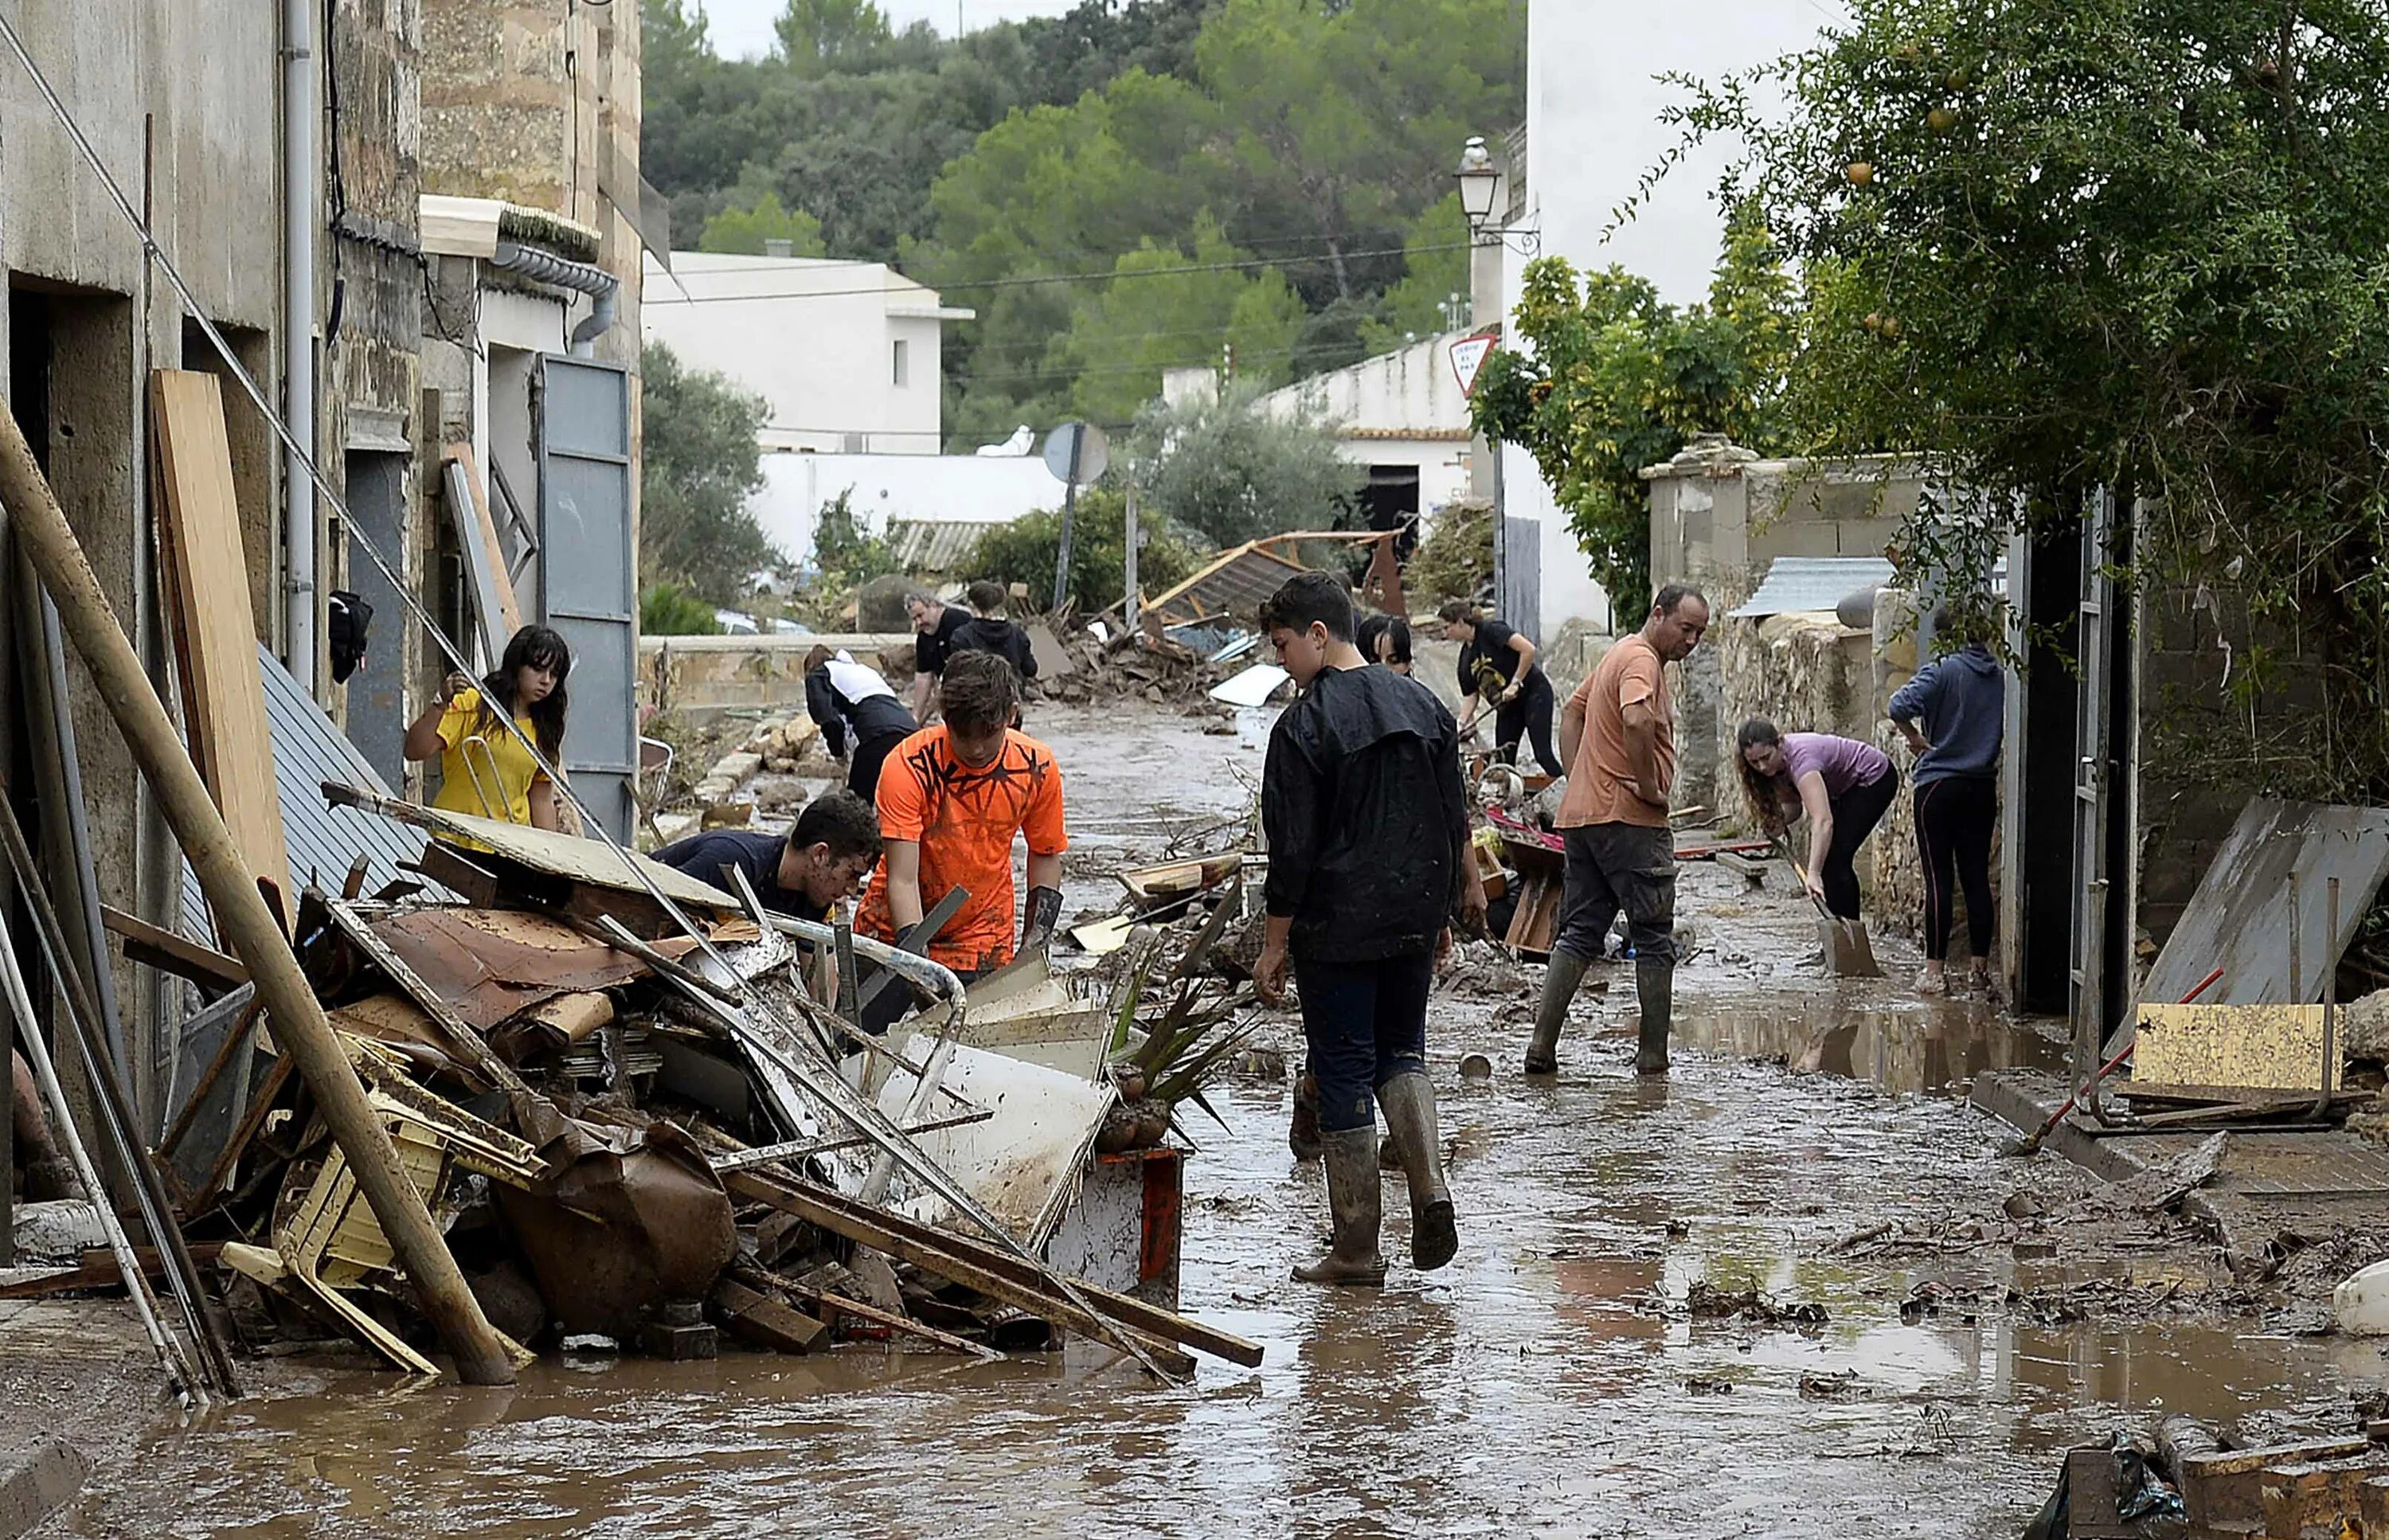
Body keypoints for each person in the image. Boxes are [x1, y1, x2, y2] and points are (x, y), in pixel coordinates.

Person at [1256, 572, 1484, 1285]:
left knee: (1347, 1064)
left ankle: (1356, 1247)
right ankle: (1432, 1189)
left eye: (1285, 646)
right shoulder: (1425, 705)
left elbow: (1291, 851)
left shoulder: (1303, 726)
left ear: (1320, 635)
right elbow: (1454, 817)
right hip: (1413, 914)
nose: (1283, 661)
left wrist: (1271, 946)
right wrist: (1452, 900)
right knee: (1403, 1052)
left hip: (1338, 925)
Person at [1525, 584, 1711, 1077]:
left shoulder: (1618, 653)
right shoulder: (1642, 661)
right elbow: (1636, 718)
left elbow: (1571, 713)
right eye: (1685, 628)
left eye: (1699, 634)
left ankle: (1541, 1048)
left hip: (1584, 818)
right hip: (1630, 821)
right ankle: (1653, 1058)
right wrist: (1650, 786)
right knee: (1653, 936)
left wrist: (1578, 779)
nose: (1691, 642)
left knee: (1580, 932)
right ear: (1658, 615)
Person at [855, 650, 1066, 1029]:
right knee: (855, 1042)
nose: (976, 748)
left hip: (982, 933)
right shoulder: (908, 765)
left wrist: (1036, 945)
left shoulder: (1037, 768)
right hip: (894, 925)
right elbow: (901, 878)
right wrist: (915, 959)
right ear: (943, 716)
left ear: (1011, 715)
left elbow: (1046, 854)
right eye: (962, 735)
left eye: (989, 733)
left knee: (976, 1051)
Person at [1887, 625, 2005, 993]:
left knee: (1939, 878)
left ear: (1942, 634)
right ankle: (1979, 971)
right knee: (1976, 879)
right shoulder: (2001, 676)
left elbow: (1897, 706)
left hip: (1938, 785)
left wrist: (1914, 737)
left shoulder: (1942, 669)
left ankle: (1934, 973)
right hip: (1981, 786)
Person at [405, 624, 570, 830]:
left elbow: (541, 799)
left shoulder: (545, 729)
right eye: (537, 669)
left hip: (511, 846)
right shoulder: (474, 705)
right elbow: (414, 750)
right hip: (457, 835)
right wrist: (440, 703)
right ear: (517, 665)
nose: (545, 681)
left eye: (553, 674)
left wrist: (547, 854)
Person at [1736, 720, 1899, 924]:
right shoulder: (1776, 768)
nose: (1762, 766)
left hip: (1873, 778)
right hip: (1844, 789)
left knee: (1835, 859)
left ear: (1779, 743)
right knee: (1831, 861)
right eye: (1754, 762)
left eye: (1766, 758)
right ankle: (1837, 939)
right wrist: (1775, 825)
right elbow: (1793, 807)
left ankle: (1850, 941)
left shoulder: (1803, 762)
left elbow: (1823, 821)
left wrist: (1813, 873)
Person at [654, 790, 882, 924]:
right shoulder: (729, 862)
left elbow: (821, 981)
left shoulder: (815, 896)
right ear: (820, 854)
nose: (852, 889)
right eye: (852, 874)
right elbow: (648, 914)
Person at [1439, 600, 1560, 776]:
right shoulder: (1465, 660)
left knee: (1542, 754)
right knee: (1503, 762)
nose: (1445, 633)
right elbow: (1471, 696)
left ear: (1460, 622)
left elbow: (1528, 650)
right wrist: (1461, 724)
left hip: (1534, 693)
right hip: (1508, 708)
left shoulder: (1491, 631)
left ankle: (1570, 790)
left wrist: (1515, 682)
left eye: (1447, 627)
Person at [804, 645, 917, 802]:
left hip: (879, 736)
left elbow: (828, 720)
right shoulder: (861, 671)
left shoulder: (819, 674)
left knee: (856, 808)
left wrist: (838, 754)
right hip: (912, 734)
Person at [948, 579, 1038, 684]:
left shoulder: (962, 636)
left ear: (971, 604)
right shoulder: (1017, 633)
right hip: (1011, 696)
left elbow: (958, 676)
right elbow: (1031, 669)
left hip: (976, 698)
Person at [905, 591, 971, 722]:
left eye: (921, 615)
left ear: (933, 606)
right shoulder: (923, 638)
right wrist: (916, 718)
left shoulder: (957, 621)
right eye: (914, 619)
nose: (919, 623)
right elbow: (923, 677)